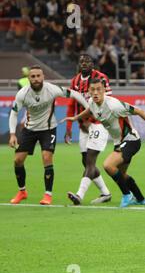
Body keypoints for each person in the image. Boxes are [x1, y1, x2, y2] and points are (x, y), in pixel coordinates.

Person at [62, 78, 145, 208]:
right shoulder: (91, 102)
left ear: (104, 90)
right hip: (119, 142)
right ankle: (140, 199)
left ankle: (126, 195)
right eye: (92, 90)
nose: (95, 93)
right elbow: (90, 110)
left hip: (131, 140)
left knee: (108, 165)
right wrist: (76, 118)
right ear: (88, 91)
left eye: (99, 89)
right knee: (122, 174)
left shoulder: (114, 105)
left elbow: (140, 111)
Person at [9, 65, 91, 205]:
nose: (35, 79)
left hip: (48, 129)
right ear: (29, 78)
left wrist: (89, 108)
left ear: (43, 77)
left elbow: (74, 94)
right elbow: (14, 113)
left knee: (46, 157)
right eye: (32, 76)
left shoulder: (52, 89)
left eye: (38, 76)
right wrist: (12, 134)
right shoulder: (22, 94)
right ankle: (22, 191)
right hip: (30, 130)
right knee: (18, 160)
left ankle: (48, 195)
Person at [65, 54, 112, 205]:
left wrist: (90, 119)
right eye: (82, 61)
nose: (84, 64)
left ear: (93, 64)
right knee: (86, 162)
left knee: (90, 160)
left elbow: (107, 102)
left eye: (88, 61)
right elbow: (72, 104)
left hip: (99, 123)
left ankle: (79, 195)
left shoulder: (101, 78)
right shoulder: (75, 80)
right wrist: (69, 127)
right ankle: (105, 193)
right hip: (83, 126)